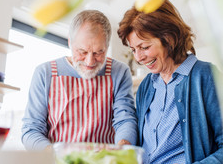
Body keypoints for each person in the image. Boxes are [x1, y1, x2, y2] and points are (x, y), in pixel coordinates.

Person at [117, 0, 223, 164]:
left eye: (144, 47)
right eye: (134, 49)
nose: (139, 57)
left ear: (169, 38)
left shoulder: (206, 76)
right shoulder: (146, 86)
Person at [22, 10, 137, 150]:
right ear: (70, 42)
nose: (90, 61)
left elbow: (125, 119)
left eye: (98, 52)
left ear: (107, 47)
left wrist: (121, 149)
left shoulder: (119, 72)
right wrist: (54, 155)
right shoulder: (45, 73)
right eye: (82, 51)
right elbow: (31, 130)